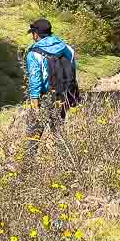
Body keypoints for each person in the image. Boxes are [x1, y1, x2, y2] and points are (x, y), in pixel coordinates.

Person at [24, 18, 78, 156]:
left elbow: (35, 81)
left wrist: (34, 105)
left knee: (33, 136)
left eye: (33, 34)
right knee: (59, 132)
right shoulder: (67, 48)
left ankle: (27, 169)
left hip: (45, 98)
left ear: (36, 34)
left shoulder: (34, 53)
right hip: (64, 96)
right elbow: (72, 72)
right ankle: (67, 166)